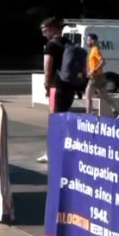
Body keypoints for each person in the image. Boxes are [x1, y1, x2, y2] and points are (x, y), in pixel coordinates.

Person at [38, 17, 73, 163]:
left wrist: (46, 84)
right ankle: (68, 148)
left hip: (56, 86)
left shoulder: (51, 45)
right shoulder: (69, 44)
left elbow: (48, 67)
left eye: (45, 30)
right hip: (69, 87)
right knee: (64, 118)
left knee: (54, 120)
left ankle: (51, 153)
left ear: (53, 28)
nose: (44, 33)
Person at [84, 34, 119, 117]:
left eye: (88, 40)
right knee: (104, 95)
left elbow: (102, 61)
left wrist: (93, 71)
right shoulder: (93, 49)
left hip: (95, 77)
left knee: (88, 96)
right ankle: (115, 109)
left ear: (92, 40)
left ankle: (88, 114)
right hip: (100, 76)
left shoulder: (95, 50)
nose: (87, 42)